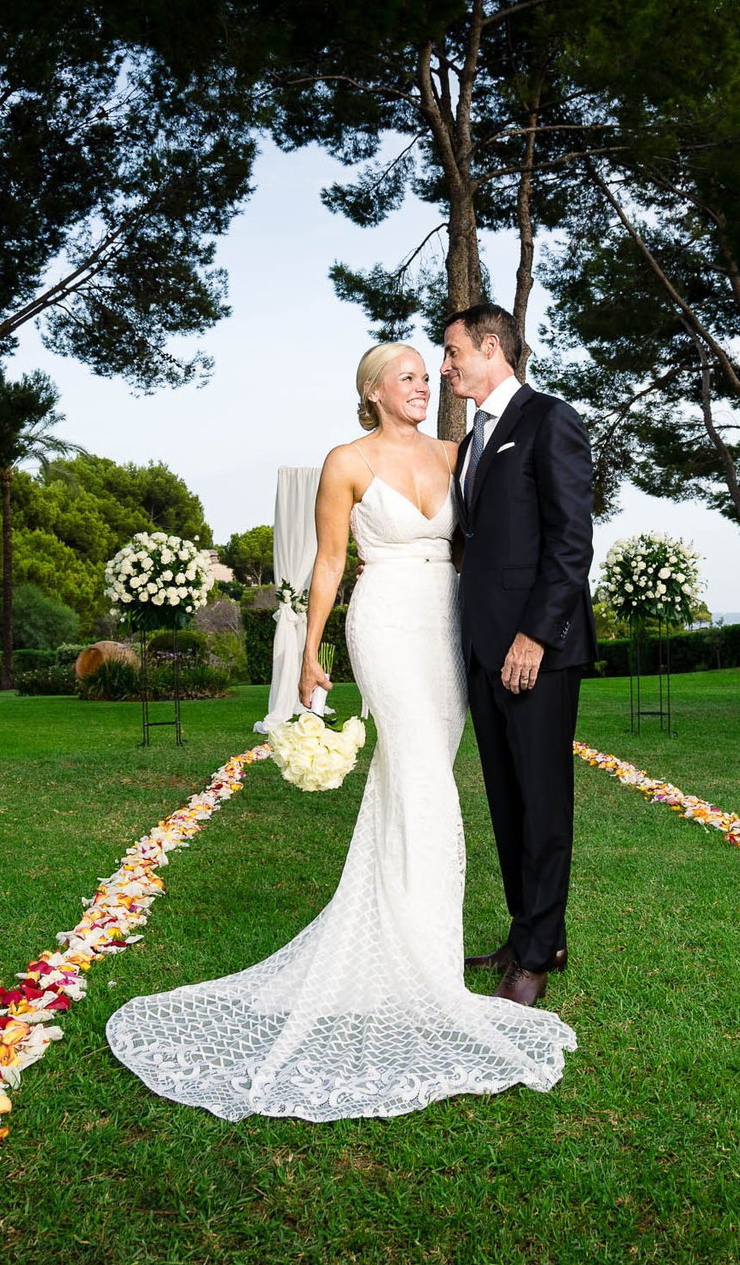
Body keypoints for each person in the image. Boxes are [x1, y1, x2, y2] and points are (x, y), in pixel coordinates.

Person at [102, 342, 577, 1121]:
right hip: (385, 623)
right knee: (422, 774)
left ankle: (398, 929)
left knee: (415, 777)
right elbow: (328, 561)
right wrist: (312, 648)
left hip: (449, 630)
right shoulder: (345, 460)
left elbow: (484, 541)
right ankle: (425, 964)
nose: (424, 384)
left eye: (430, 373)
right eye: (409, 376)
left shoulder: (460, 451)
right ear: (372, 390)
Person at [439, 303, 597, 1008]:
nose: (445, 366)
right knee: (506, 803)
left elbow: (571, 542)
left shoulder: (549, 418)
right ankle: (531, 931)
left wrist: (536, 634)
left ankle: (536, 957)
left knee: (543, 804)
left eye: (452, 352)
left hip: (538, 653)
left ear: (491, 345)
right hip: (481, 654)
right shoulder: (472, 437)